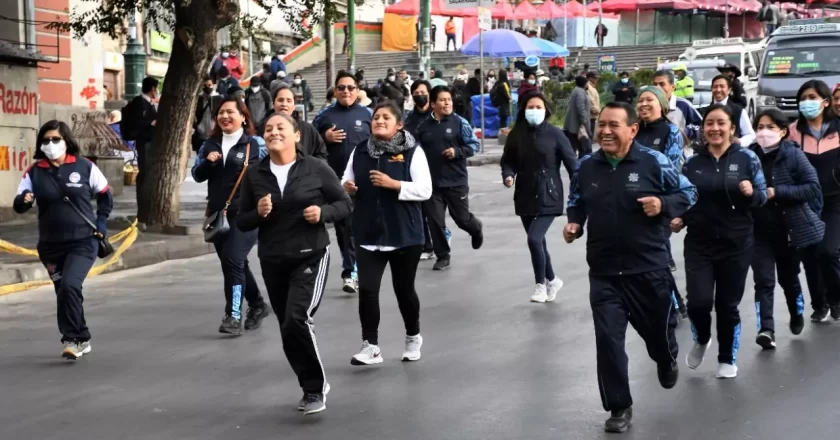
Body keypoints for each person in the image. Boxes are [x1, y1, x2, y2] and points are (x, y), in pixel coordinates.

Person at [565, 102, 697, 433]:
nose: (605, 131)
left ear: (632, 129)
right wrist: (574, 223)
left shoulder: (654, 162)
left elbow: (689, 193)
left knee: (658, 335)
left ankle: (666, 359)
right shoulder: (586, 166)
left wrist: (663, 204)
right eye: (601, 125)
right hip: (605, 271)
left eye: (614, 125)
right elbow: (577, 201)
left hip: (648, 269)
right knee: (608, 341)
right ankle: (619, 406)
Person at [237, 112, 351, 415]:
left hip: (310, 253)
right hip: (273, 258)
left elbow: (344, 204)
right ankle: (309, 382)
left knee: (297, 317)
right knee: (287, 326)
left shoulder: (316, 168)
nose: (274, 132)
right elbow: (240, 219)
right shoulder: (255, 174)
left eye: (281, 128)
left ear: (297, 135)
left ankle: (314, 389)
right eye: (268, 129)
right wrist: (258, 212)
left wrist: (322, 214)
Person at [673, 104, 768, 379]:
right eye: (709, 123)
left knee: (727, 305)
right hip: (699, 243)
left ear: (732, 128)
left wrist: (751, 192)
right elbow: (684, 196)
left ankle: (727, 357)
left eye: (721, 123)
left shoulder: (747, 158)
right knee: (699, 303)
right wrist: (679, 216)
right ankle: (703, 337)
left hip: (736, 243)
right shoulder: (692, 163)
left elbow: (762, 196)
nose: (715, 128)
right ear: (703, 129)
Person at [340, 101, 432, 365]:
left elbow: (425, 190)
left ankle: (413, 335)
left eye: (386, 118)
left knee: (404, 290)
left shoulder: (412, 151)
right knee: (368, 290)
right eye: (376, 117)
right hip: (368, 232)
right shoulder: (360, 150)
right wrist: (347, 186)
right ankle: (371, 345)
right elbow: (344, 180)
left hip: (405, 233)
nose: (379, 121)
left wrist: (395, 185)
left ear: (398, 125)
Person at [13, 120, 114, 360]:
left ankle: (71, 339)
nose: (50, 144)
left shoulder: (85, 166)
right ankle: (83, 336)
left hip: (82, 241)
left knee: (70, 285)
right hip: (50, 245)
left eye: (55, 139)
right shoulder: (34, 172)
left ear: (67, 141)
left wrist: (100, 224)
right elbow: (18, 204)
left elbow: (105, 196)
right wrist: (25, 200)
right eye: (46, 140)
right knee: (64, 292)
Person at [192, 98, 270, 335]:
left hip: (246, 214)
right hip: (218, 216)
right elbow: (197, 174)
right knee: (234, 263)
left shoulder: (255, 144)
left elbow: (271, 170)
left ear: (243, 117)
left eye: (230, 112)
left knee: (233, 260)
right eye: (220, 113)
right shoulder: (209, 144)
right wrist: (208, 162)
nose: (225, 116)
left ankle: (233, 315)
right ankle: (257, 304)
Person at [748, 108, 823, 348]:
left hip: (789, 229)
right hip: (758, 231)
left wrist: (777, 192)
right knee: (763, 281)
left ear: (782, 131)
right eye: (760, 127)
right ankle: (766, 329)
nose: (764, 132)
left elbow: (812, 187)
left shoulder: (793, 155)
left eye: (770, 127)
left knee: (788, 278)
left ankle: (796, 311)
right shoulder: (748, 156)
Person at [501, 91, 577, 302]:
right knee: (539, 242)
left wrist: (580, 191)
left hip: (549, 193)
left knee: (534, 238)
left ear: (546, 110)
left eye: (538, 107)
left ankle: (540, 285)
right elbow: (508, 161)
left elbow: (573, 165)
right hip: (524, 193)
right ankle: (553, 280)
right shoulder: (517, 134)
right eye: (530, 107)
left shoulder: (555, 134)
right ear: (523, 110)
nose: (534, 111)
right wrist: (508, 176)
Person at [312, 71, 374, 293]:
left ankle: (362, 266)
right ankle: (351, 271)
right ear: (335, 91)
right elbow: (310, 145)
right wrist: (325, 138)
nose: (346, 91)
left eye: (350, 88)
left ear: (357, 91)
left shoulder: (369, 114)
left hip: (365, 182)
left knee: (362, 227)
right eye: (341, 88)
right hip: (336, 184)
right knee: (344, 229)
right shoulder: (324, 116)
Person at [787, 80, 840, 321]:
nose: (807, 102)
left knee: (828, 252)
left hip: (834, 201)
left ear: (825, 101)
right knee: (809, 256)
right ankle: (819, 304)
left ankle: (836, 298)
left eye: (812, 97)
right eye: (803, 97)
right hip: (803, 202)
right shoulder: (792, 132)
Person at [415, 85, 484, 271]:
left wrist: (457, 151)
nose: (447, 103)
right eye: (442, 100)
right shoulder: (423, 127)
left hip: (456, 181)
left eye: (449, 100)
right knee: (435, 221)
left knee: (461, 219)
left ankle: (475, 228)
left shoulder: (460, 123)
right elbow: (415, 150)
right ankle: (443, 256)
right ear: (433, 104)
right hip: (432, 184)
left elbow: (474, 146)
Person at [634, 86, 689, 318]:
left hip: (659, 202)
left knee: (657, 255)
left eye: (649, 100)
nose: (644, 104)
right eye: (640, 100)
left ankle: (674, 305)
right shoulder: (633, 130)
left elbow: (673, 168)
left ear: (662, 105)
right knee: (645, 257)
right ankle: (670, 302)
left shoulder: (670, 132)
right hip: (633, 201)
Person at [258, 84, 328, 159]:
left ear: (294, 106)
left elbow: (321, 154)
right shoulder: (264, 127)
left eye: (289, 101)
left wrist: (308, 167)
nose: (284, 104)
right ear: (273, 104)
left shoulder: (307, 129)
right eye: (280, 100)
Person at [703, 75, 756, 146]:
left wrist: (739, 142)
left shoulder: (738, 111)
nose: (718, 90)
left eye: (722, 86)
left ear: (729, 90)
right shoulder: (705, 111)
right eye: (715, 87)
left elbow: (750, 135)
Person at [653, 69, 702, 145]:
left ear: (672, 87)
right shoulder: (649, 106)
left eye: (662, 84)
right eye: (655, 84)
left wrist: (684, 132)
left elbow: (702, 127)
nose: (657, 88)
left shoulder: (683, 105)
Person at [565, 76, 592, 159]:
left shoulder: (577, 90)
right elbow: (581, 108)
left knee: (577, 147)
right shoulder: (580, 92)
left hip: (575, 126)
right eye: (587, 83)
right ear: (584, 83)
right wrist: (585, 124)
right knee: (585, 148)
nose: (588, 84)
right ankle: (581, 166)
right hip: (578, 126)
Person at [193, 76, 221, 153]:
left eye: (209, 85)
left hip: (213, 134)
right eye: (205, 85)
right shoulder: (199, 98)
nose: (207, 87)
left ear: (213, 85)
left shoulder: (218, 98)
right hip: (200, 133)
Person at [586, 72, 601, 136]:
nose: (596, 80)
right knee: (589, 136)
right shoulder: (588, 87)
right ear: (590, 78)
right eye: (595, 78)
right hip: (590, 115)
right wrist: (598, 111)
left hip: (593, 116)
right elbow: (591, 101)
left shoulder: (592, 87)